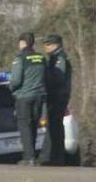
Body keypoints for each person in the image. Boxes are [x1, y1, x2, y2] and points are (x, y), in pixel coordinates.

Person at [9, 32, 46, 166]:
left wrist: (11, 88)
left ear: (23, 42)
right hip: (39, 96)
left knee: (24, 125)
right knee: (34, 125)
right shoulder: (41, 58)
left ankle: (28, 157)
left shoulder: (20, 59)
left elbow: (16, 80)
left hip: (24, 96)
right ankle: (33, 156)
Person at [39, 34, 72, 166]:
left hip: (58, 96)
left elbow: (58, 78)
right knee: (54, 126)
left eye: (47, 44)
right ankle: (54, 156)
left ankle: (56, 156)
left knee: (56, 126)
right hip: (56, 95)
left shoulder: (59, 58)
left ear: (55, 45)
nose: (45, 47)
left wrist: (45, 81)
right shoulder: (54, 58)